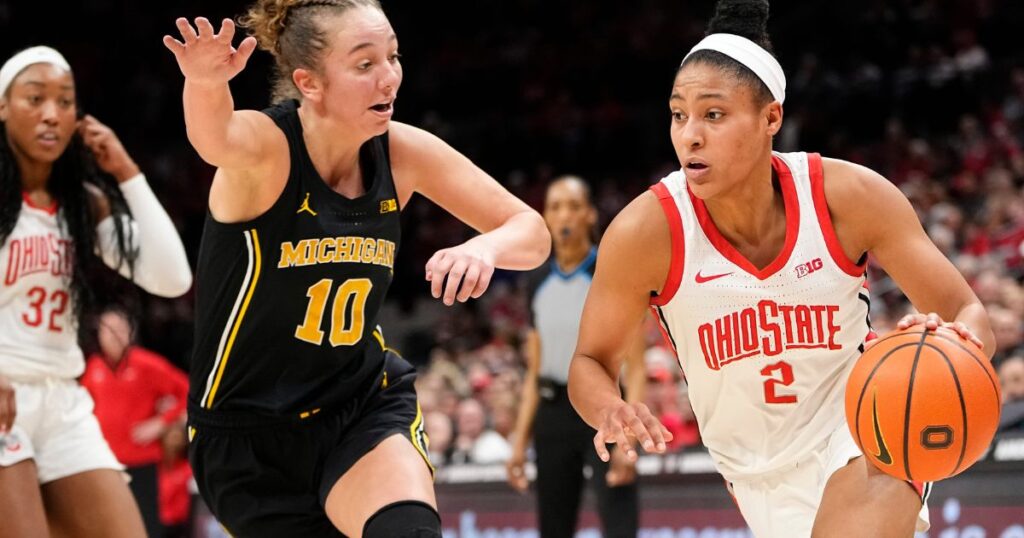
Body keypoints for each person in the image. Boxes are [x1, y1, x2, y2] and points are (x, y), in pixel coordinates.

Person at [566, 1, 995, 537]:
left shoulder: (849, 196)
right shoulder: (645, 232)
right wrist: (608, 408)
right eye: (679, 114)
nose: (689, 135)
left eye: (713, 115)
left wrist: (954, 341)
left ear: (771, 117)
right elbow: (589, 361)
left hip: (865, 431)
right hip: (752, 472)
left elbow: (966, 310)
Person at [161, 1, 550, 536]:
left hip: (358, 405)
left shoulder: (402, 151)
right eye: (365, 64)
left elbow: (531, 231)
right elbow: (215, 138)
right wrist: (204, 84)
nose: (389, 76)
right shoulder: (269, 150)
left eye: (393, 56)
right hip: (247, 437)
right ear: (310, 83)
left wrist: (485, 248)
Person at [0, 46, 192, 538]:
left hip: (63, 403)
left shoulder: (81, 206)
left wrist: (127, 172)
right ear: (3, 107)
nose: (52, 113)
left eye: (65, 101)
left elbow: (172, 278)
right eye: (35, 98)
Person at [506, 176, 643, 538]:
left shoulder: (611, 270)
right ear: (545, 218)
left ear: (589, 215)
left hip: (606, 408)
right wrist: (519, 442)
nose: (563, 215)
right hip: (553, 412)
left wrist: (628, 437)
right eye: (554, 207)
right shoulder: (536, 282)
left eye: (572, 206)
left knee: (619, 525)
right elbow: (536, 370)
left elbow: (638, 366)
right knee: (553, 527)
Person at [80, 306, 190, 538]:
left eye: (120, 328)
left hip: (143, 463)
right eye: (108, 330)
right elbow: (82, 407)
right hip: (107, 463)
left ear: (130, 332)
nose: (114, 334)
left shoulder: (147, 364)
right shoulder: (94, 368)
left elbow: (188, 392)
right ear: (99, 334)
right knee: (109, 526)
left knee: (146, 526)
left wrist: (162, 423)